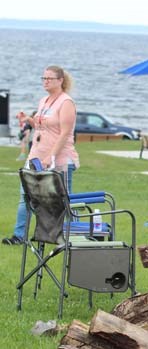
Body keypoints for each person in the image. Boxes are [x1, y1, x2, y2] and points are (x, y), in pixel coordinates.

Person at [3, 65, 79, 246]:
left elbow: (64, 133)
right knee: (26, 196)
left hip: (59, 159)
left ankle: (71, 235)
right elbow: (42, 126)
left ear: (60, 80)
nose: (45, 82)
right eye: (43, 78)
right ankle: (19, 236)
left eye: (49, 79)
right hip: (36, 156)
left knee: (61, 199)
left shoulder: (66, 102)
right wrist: (28, 120)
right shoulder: (44, 101)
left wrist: (50, 158)